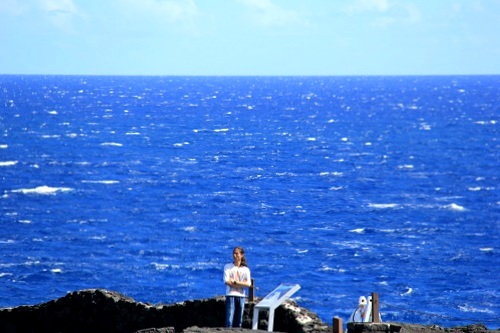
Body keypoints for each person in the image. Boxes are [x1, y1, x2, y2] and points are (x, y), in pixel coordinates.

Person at [223, 246, 251, 328]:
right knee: (229, 320)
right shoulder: (228, 267)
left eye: (237, 253)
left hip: (241, 296)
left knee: (239, 321)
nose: (235, 255)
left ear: (241, 255)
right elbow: (227, 281)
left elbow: (248, 284)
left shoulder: (246, 269)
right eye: (234, 253)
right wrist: (242, 284)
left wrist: (235, 282)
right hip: (230, 295)